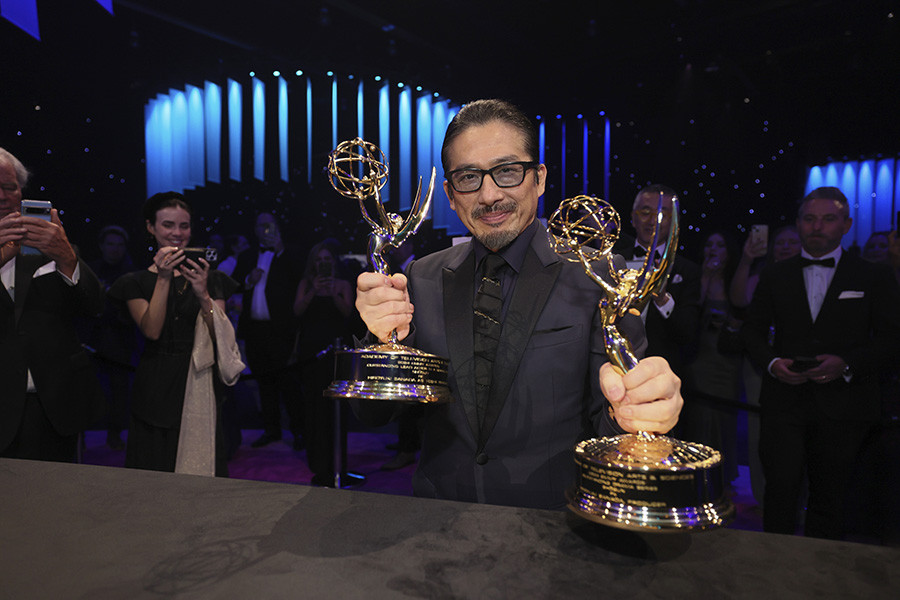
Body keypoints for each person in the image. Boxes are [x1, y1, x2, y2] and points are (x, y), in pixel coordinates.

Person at [354, 99, 683, 509]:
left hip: (554, 529)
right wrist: (377, 336)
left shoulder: (597, 275)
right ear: (450, 195)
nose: (489, 194)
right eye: (469, 177)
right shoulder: (421, 276)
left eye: (507, 171)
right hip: (438, 522)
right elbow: (375, 416)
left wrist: (641, 411)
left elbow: (612, 420)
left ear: (539, 179)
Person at [741, 186, 900, 539]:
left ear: (846, 224)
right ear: (798, 223)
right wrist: (772, 364)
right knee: (779, 492)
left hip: (845, 406)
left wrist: (845, 363)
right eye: (810, 219)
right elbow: (751, 333)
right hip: (784, 403)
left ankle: (821, 581)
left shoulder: (872, 276)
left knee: (831, 499)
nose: (817, 227)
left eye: (828, 219)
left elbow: (892, 339)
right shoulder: (775, 274)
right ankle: (772, 575)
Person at [109, 192, 241, 475]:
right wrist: (164, 276)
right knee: (154, 468)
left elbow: (221, 336)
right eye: (168, 225)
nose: (177, 233)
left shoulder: (212, 278)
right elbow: (152, 330)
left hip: (199, 379)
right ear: (151, 227)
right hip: (155, 382)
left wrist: (202, 293)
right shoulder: (134, 282)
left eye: (184, 225)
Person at [0, 147, 105, 462]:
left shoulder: (52, 244)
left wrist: (66, 257)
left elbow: (94, 307)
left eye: (10, 187)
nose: (4, 197)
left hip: (54, 408)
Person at [728, 224, 801, 506]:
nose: (784, 247)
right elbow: (738, 300)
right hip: (762, 362)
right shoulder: (761, 276)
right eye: (780, 242)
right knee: (762, 432)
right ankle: (764, 497)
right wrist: (747, 258)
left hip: (805, 366)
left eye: (791, 242)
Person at [612, 184, 702, 389]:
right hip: (612, 371)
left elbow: (688, 334)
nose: (653, 220)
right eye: (645, 212)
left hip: (663, 378)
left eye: (663, 213)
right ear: (633, 218)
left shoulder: (687, 271)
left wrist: (663, 299)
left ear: (674, 221)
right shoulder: (610, 262)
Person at [231, 212, 304, 450]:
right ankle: (271, 430)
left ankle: (298, 432)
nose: (265, 230)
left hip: (280, 330)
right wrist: (247, 280)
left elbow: (300, 277)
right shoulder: (248, 256)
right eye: (261, 225)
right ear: (254, 229)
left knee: (288, 383)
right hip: (254, 330)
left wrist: (280, 249)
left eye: (269, 225)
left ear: (278, 228)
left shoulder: (290, 253)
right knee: (264, 383)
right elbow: (233, 284)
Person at [293, 238, 355, 485]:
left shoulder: (341, 283)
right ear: (313, 263)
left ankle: (338, 464)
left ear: (334, 262)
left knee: (336, 411)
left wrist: (331, 293)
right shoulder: (306, 283)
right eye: (319, 260)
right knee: (313, 407)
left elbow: (348, 313)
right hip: (311, 352)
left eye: (327, 260)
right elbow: (297, 311)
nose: (323, 264)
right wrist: (313, 291)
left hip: (336, 353)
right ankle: (317, 461)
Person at [684, 230, 742, 484]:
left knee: (723, 420)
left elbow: (744, 311)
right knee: (700, 418)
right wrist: (706, 277)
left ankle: (723, 479)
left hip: (726, 361)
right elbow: (691, 316)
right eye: (709, 244)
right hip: (700, 358)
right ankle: (698, 478)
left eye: (720, 245)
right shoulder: (696, 276)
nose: (713, 249)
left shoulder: (734, 279)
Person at [86, 225, 138, 451]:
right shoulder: (90, 270)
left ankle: (114, 434)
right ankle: (82, 435)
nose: (115, 249)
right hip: (91, 340)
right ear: (101, 246)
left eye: (119, 245)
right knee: (87, 389)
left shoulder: (132, 274)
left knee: (119, 392)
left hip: (120, 340)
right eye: (110, 244)